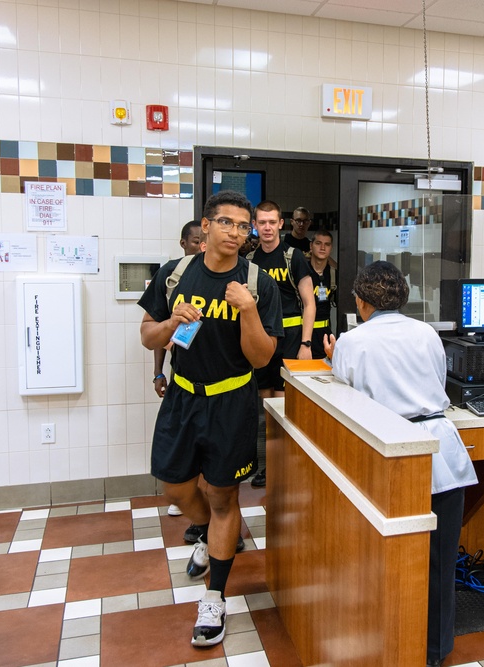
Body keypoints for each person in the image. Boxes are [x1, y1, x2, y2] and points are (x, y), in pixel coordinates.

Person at [138, 190, 283, 647]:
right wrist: (169, 322)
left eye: (244, 227)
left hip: (232, 402)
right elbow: (147, 336)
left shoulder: (258, 283)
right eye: (227, 223)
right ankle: (204, 530)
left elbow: (261, 358)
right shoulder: (174, 274)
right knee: (175, 485)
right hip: (182, 398)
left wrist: (249, 309)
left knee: (223, 497)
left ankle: (214, 598)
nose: (236, 233)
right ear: (205, 226)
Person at [323, 261, 477, 667]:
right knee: (440, 563)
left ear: (360, 301)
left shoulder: (353, 342)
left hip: (389, 454)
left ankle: (386, 642)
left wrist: (333, 358)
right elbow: (438, 381)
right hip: (439, 451)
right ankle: (434, 652)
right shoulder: (426, 332)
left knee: (388, 560)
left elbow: (345, 396)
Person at [247, 200, 316, 487]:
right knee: (265, 408)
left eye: (271, 222)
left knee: (285, 406)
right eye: (261, 222)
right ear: (255, 225)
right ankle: (268, 466)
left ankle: (287, 467)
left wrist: (307, 342)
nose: (266, 227)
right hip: (263, 342)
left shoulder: (293, 256)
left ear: (280, 224)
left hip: (291, 343)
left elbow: (310, 302)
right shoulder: (250, 261)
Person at [152, 220, 204, 519]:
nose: (200, 246)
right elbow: (156, 332)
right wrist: (159, 372)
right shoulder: (172, 275)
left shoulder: (225, 275)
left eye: (203, 240)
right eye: (195, 241)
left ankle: (207, 519)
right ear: (183, 243)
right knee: (181, 445)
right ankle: (187, 496)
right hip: (182, 379)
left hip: (219, 385)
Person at [308, 230, 336, 359]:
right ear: (311, 246)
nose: (323, 248)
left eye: (327, 244)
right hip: (303, 334)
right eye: (318, 243)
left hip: (325, 334)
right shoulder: (302, 272)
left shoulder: (334, 274)